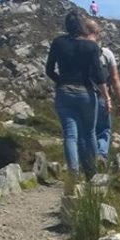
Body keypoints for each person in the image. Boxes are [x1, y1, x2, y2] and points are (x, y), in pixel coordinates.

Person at [43, 10, 108, 177]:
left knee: (70, 135)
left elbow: (49, 70)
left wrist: (61, 81)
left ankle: (73, 172)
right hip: (86, 93)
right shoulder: (91, 46)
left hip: (64, 93)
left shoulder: (58, 43)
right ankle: (92, 174)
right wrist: (107, 98)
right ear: (82, 26)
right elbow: (99, 75)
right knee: (89, 133)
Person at [90, 26, 120, 167]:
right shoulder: (106, 53)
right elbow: (115, 79)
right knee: (104, 129)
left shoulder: (79, 52)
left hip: (84, 94)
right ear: (98, 35)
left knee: (87, 129)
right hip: (103, 97)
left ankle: (87, 160)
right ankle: (101, 156)